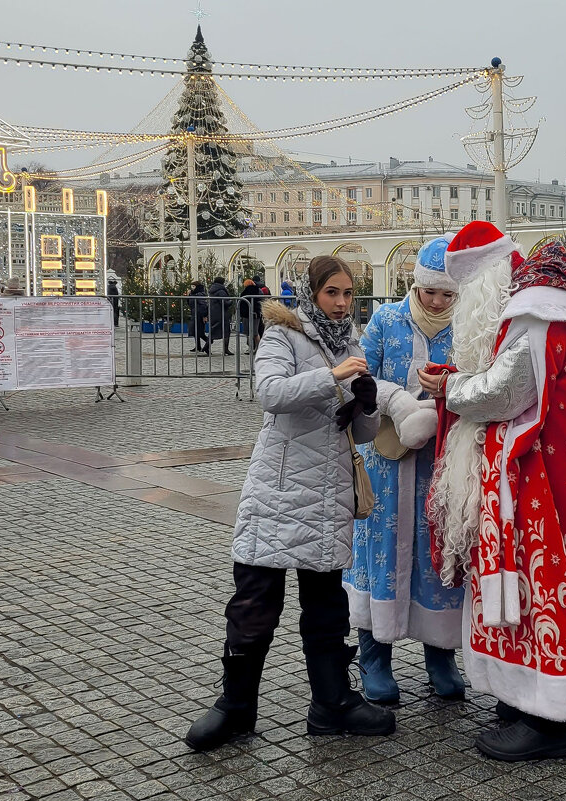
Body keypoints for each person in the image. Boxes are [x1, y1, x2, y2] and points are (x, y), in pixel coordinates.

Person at [185, 255, 395, 752]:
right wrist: (333, 375)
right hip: (278, 492)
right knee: (254, 604)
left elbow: (358, 433)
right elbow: (270, 394)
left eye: (348, 294)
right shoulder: (283, 334)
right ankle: (235, 707)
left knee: (326, 608)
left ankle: (332, 704)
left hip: (329, 494)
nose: (342, 303)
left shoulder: (351, 342)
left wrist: (366, 403)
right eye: (332, 293)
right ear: (311, 293)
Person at [418, 226, 566, 762]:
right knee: (531, 588)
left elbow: (506, 392)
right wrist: (457, 378)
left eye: (465, 290)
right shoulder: (539, 308)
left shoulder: (536, 313)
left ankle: (549, 721)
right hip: (536, 475)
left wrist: (450, 387)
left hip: (533, 479)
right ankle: (527, 699)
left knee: (541, 588)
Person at [346, 235, 465, 706]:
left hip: (441, 460)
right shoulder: (386, 320)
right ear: (414, 286)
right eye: (429, 292)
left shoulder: (465, 328)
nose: (436, 301)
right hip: (388, 460)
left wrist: (449, 391)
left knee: (435, 554)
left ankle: (441, 652)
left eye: (446, 295)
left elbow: (481, 379)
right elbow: (361, 376)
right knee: (383, 553)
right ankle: (374, 653)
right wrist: (395, 400)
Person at [208, 276, 235, 356]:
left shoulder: (212, 290)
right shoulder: (221, 291)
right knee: (226, 331)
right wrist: (231, 301)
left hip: (214, 313)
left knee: (214, 330)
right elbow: (225, 303)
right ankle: (225, 349)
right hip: (222, 313)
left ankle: (207, 347)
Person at [239, 278, 264, 352]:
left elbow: (242, 303)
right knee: (255, 333)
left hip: (247, 314)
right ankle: (258, 348)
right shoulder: (259, 291)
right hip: (256, 314)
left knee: (249, 333)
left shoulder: (245, 292)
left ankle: (251, 348)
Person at [187, 280, 210, 354]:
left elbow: (203, 305)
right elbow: (190, 303)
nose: (192, 288)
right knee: (195, 331)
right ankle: (198, 346)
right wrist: (189, 296)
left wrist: (204, 315)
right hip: (194, 314)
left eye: (193, 286)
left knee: (200, 332)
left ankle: (209, 341)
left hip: (199, 314)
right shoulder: (193, 294)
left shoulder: (200, 294)